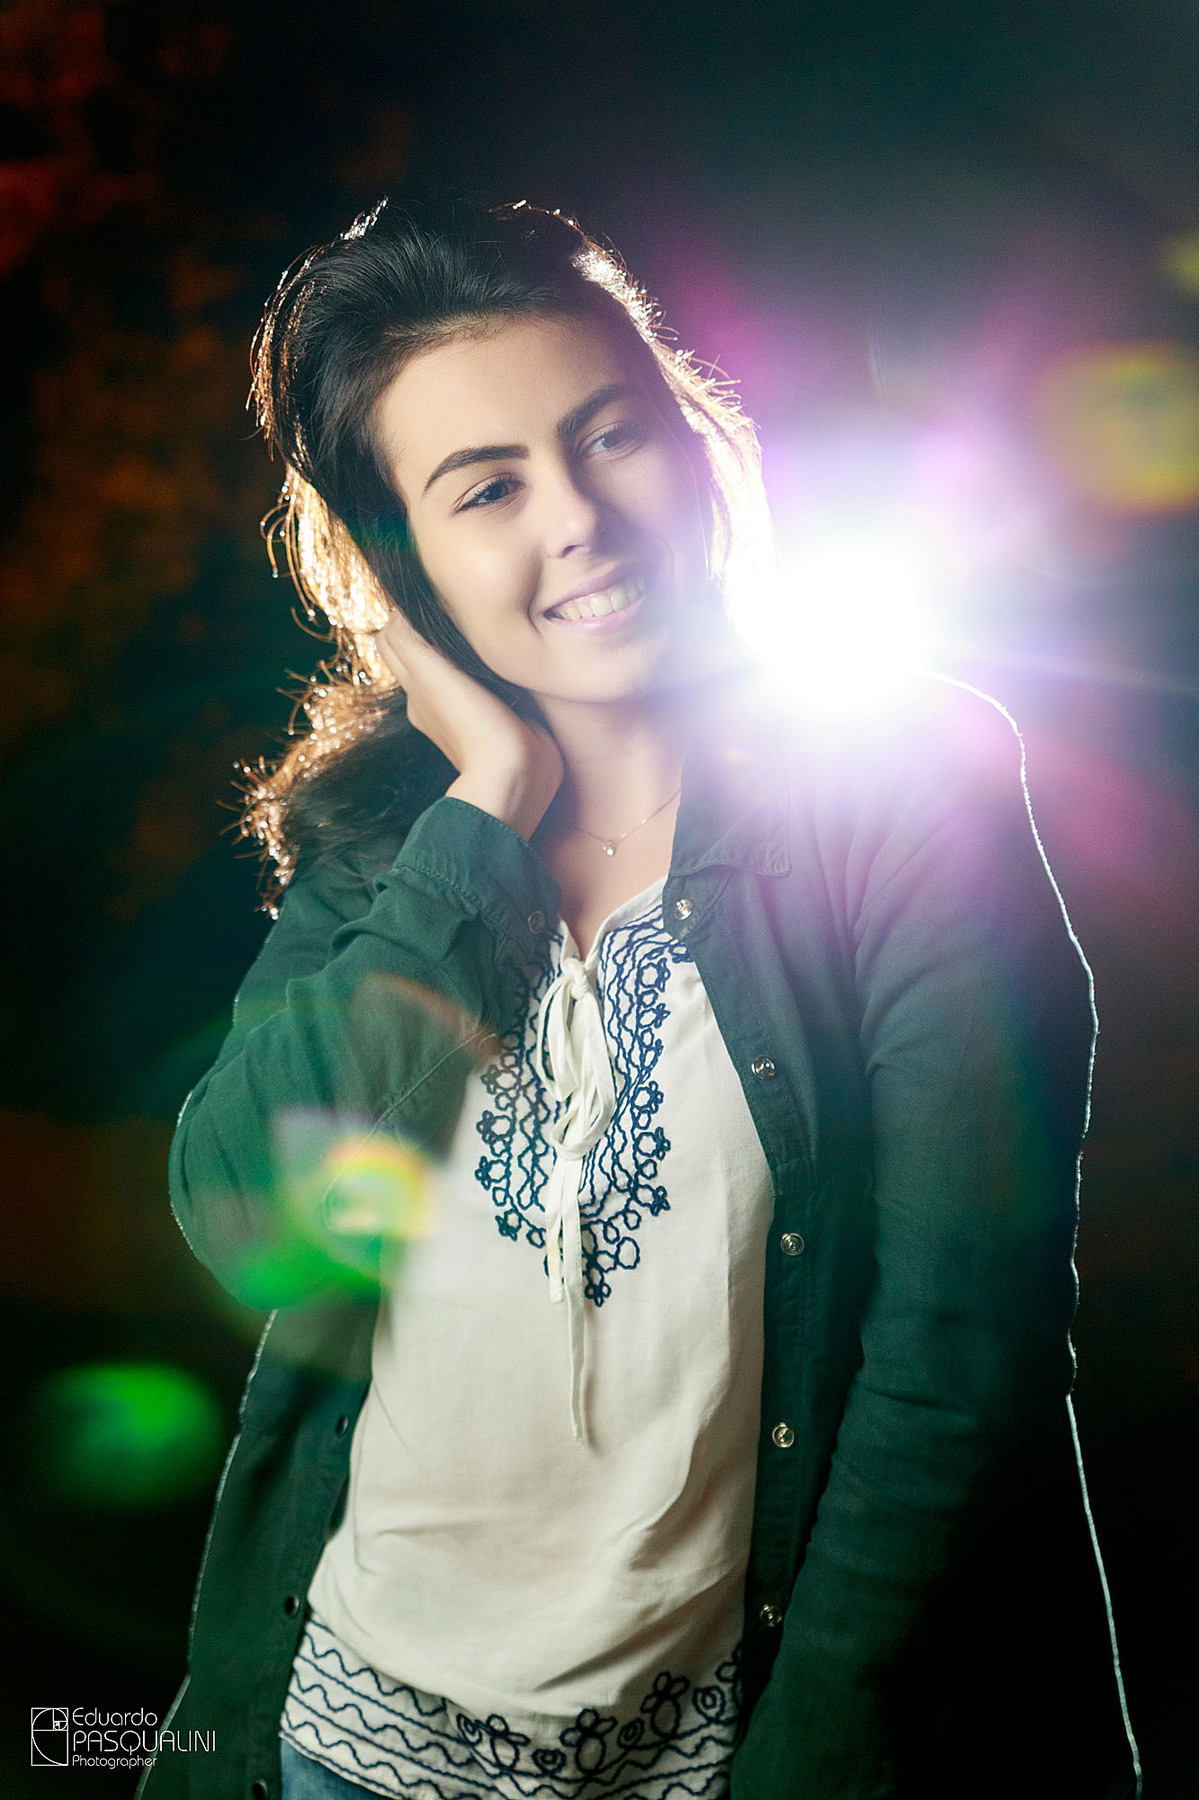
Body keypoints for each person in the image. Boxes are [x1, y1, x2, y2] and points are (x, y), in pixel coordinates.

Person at [136, 195, 1141, 1800]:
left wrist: (809, 1764)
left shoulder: (901, 791)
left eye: (611, 437)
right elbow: (242, 1211)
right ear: (397, 565)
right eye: (487, 488)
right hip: (344, 1743)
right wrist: (487, 807)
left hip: (730, 1757)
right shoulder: (383, 843)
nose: (583, 518)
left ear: (690, 442)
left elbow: (961, 1353)